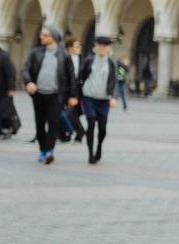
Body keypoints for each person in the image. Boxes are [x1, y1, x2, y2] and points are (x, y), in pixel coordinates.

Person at [21, 25, 78, 165]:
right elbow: (25, 69)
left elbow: (71, 77)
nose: (42, 37)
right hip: (39, 95)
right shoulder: (36, 53)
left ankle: (49, 151)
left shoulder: (64, 55)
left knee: (53, 124)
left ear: (53, 37)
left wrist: (72, 96)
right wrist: (28, 82)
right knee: (40, 125)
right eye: (42, 35)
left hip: (56, 96)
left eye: (45, 35)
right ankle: (42, 149)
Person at [76, 35, 119, 164]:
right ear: (95, 46)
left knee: (102, 127)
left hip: (104, 100)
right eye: (99, 45)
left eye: (104, 46)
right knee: (91, 120)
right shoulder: (89, 60)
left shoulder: (112, 63)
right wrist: (77, 95)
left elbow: (114, 81)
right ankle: (90, 153)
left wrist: (113, 97)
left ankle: (99, 147)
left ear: (108, 48)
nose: (101, 48)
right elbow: (80, 77)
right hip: (89, 97)